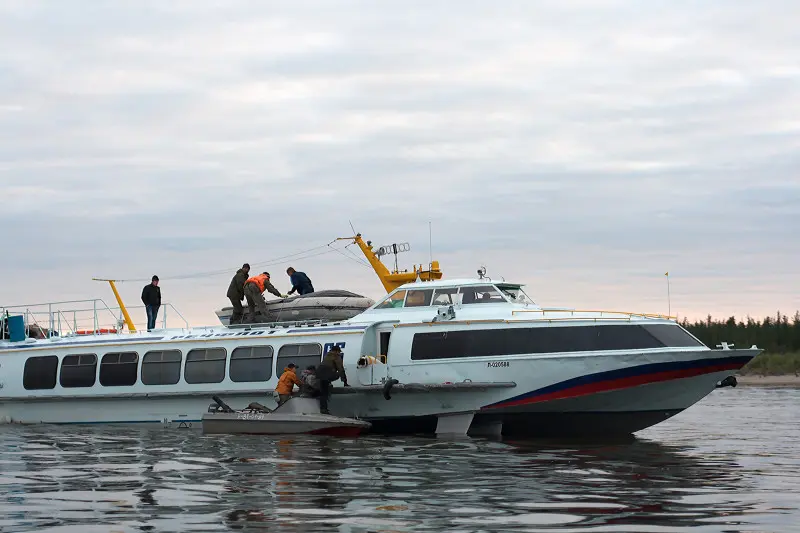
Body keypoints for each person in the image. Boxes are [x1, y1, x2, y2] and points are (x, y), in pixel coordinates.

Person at [315, 345, 349, 414]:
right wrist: (345, 382)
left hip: (319, 373)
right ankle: (324, 410)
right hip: (326, 374)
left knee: (323, 392)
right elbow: (341, 369)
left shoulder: (327, 355)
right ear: (337, 351)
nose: (339, 353)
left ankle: (323, 408)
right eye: (339, 351)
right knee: (338, 374)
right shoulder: (336, 356)